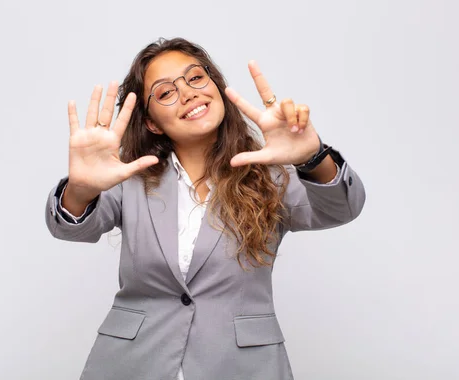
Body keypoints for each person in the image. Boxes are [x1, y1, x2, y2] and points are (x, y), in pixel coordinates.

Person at [45, 37, 366, 380]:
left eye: (196, 78)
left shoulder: (270, 176)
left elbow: (341, 208)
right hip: (130, 364)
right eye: (166, 92)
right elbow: (71, 227)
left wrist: (312, 157)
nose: (188, 93)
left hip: (243, 367)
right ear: (152, 122)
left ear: (215, 85)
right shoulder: (129, 175)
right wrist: (80, 189)